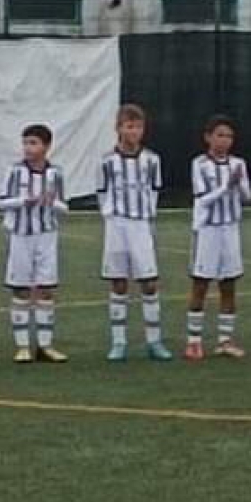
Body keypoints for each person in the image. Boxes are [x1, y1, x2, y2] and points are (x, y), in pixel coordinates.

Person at [99, 103, 172, 362]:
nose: (134, 132)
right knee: (118, 282)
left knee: (149, 283)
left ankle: (154, 341)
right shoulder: (107, 160)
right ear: (118, 128)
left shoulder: (152, 159)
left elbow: (154, 190)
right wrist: (110, 216)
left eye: (138, 127)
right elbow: (102, 192)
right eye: (129, 126)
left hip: (141, 225)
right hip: (117, 225)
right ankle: (118, 342)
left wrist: (148, 218)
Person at [0, 123, 70, 364]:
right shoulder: (15, 171)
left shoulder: (55, 173)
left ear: (47, 146)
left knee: (46, 288)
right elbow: (1, 202)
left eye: (34, 143)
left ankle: (45, 346)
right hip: (20, 235)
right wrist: (22, 201)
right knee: (21, 288)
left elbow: (64, 206)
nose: (28, 148)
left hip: (46, 236)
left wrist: (52, 202)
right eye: (26, 143)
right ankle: (22, 347)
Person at [185, 115, 251, 360]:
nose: (225, 140)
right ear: (208, 137)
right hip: (207, 230)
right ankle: (194, 341)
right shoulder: (200, 164)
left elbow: (247, 196)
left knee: (229, 284)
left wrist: (239, 185)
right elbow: (203, 199)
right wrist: (226, 186)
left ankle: (225, 340)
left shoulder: (238, 163)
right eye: (220, 135)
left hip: (230, 229)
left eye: (229, 136)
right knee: (201, 284)